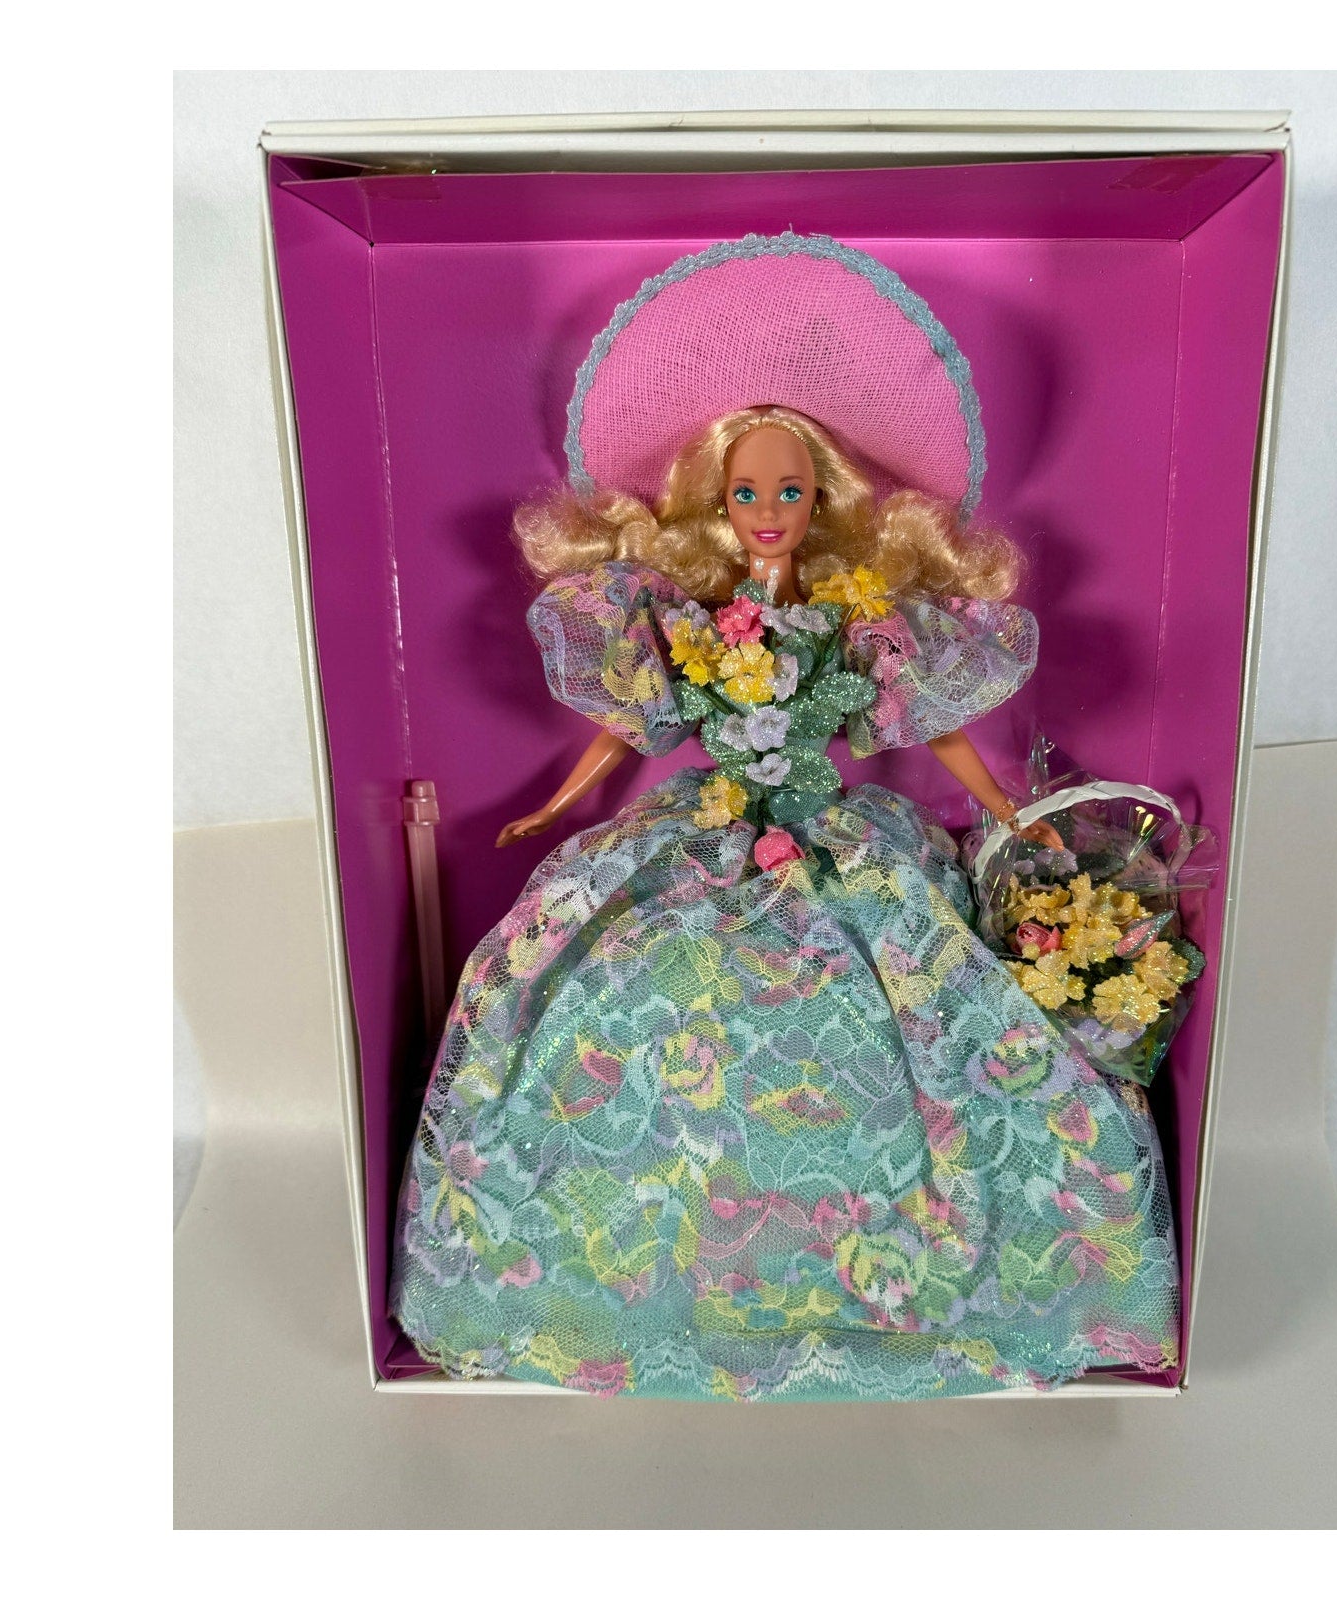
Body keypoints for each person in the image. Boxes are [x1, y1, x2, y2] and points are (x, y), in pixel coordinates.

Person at [390, 238, 1178, 1399]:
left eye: (789, 492)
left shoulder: (859, 617)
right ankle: (614, 1272)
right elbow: (626, 726)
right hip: (703, 833)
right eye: (747, 494)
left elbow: (936, 730)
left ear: (825, 499)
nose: (768, 513)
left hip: (833, 838)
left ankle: (930, 1269)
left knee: (918, 1011)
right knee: (603, 988)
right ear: (717, 501)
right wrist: (550, 808)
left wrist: (1009, 811)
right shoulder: (683, 617)